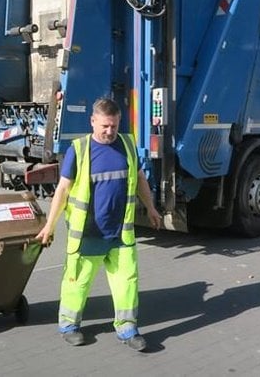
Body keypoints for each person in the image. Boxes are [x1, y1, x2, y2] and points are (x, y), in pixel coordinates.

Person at [36, 98, 162, 351]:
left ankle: (127, 328)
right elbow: (62, 190)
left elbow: (138, 179)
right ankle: (69, 325)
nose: (110, 131)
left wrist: (151, 208)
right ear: (93, 121)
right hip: (88, 233)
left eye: (114, 126)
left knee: (127, 281)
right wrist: (49, 225)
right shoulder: (79, 149)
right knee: (78, 281)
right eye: (105, 126)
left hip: (121, 232)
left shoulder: (127, 144)